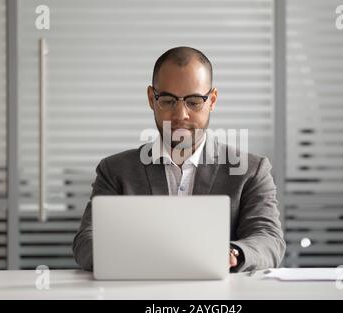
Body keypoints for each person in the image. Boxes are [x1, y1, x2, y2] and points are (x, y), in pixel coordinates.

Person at [72, 46, 285, 272]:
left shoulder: (250, 170)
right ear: (151, 99)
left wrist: (231, 254)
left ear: (212, 100)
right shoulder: (115, 170)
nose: (181, 114)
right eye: (168, 100)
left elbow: (268, 239)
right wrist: (147, 255)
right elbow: (86, 242)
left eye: (194, 102)